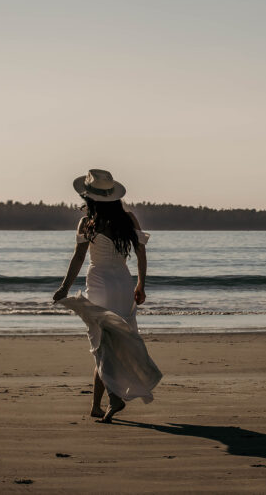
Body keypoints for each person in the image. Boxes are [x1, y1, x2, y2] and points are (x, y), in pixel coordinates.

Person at [52, 169, 162, 423]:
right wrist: (141, 285)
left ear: (89, 198)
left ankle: (113, 398)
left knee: (101, 345)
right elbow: (142, 254)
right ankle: (96, 406)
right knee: (109, 345)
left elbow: (79, 258)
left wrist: (65, 288)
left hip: (99, 283)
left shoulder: (87, 223)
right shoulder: (128, 219)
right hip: (123, 284)